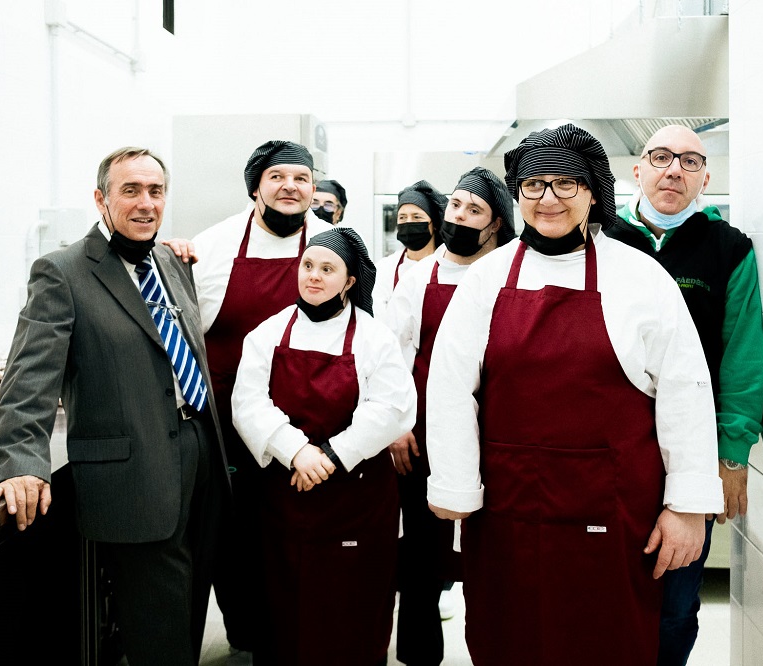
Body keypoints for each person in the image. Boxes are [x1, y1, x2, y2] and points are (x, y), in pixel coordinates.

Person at [425, 124, 723, 666]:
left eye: (566, 184)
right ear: (518, 194)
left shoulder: (641, 278)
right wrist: (454, 485)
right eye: (534, 185)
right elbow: (448, 390)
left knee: (605, 642)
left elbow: (687, 393)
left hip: (612, 515)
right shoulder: (486, 279)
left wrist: (687, 507)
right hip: (508, 513)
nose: (549, 199)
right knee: (510, 639)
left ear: (593, 193)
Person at [0, 147, 228, 666]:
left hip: (200, 451)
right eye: (131, 190)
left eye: (156, 191)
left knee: (190, 602)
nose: (146, 203)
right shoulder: (63, 272)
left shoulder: (171, 261)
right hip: (134, 470)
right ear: (101, 199)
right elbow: (29, 377)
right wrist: (20, 461)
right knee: (158, 625)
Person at [605, 124, 763, 666]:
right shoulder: (601, 239)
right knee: (605, 594)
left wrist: (732, 454)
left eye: (690, 161)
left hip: (693, 453)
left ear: (705, 178)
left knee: (675, 606)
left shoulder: (728, 249)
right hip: (609, 449)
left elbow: (743, 355)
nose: (674, 169)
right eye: (661, 157)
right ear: (638, 170)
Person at [231, 227, 416, 665]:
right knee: (284, 605)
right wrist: (296, 451)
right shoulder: (268, 333)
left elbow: (391, 408)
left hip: (357, 500)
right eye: (308, 265)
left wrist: (331, 456)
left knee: (351, 606)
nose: (313, 276)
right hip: (285, 497)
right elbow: (247, 403)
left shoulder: (374, 338)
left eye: (327, 269)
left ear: (349, 281)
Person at [187, 140, 333, 658]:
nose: (290, 186)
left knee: (299, 534)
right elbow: (182, 332)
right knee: (235, 537)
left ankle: (299, 634)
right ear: (255, 188)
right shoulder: (213, 246)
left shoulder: (333, 245)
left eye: (301, 178)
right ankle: (247, 638)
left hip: (310, 422)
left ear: (313, 188)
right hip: (224, 425)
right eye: (277, 177)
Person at [384, 167, 517, 666]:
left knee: (492, 553)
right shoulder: (421, 278)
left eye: (473, 209)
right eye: (455, 205)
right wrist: (398, 425)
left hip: (497, 433)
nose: (458, 216)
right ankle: (420, 656)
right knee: (421, 555)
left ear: (496, 224)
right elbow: (390, 358)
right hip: (424, 436)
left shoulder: (511, 275)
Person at [373, 180, 446, 318]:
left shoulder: (446, 266)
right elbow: (378, 317)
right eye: (402, 217)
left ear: (434, 224)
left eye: (417, 217)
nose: (408, 222)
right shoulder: (384, 269)